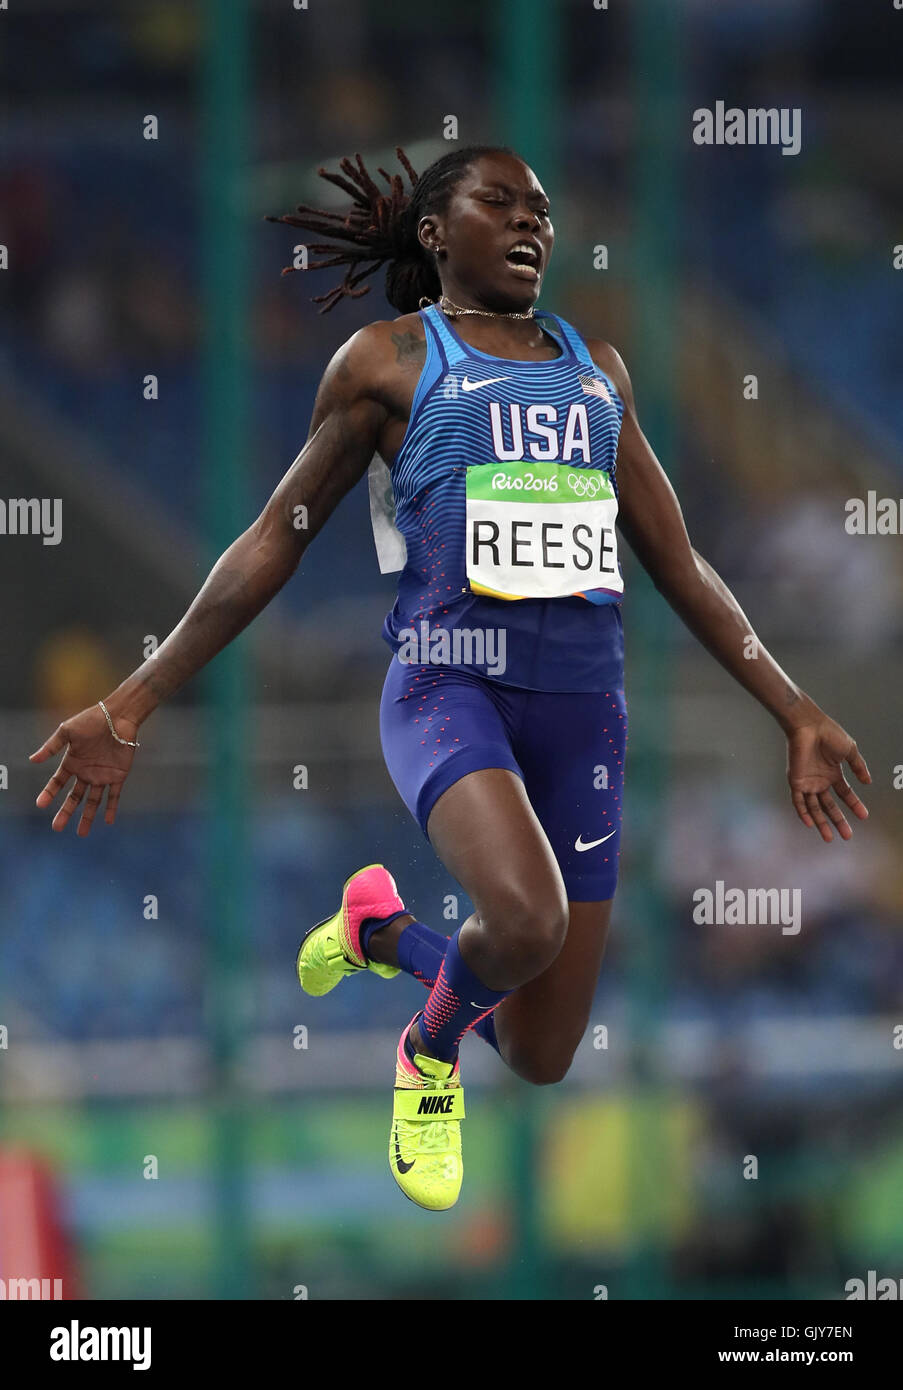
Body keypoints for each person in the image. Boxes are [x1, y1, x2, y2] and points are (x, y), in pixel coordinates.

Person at [30, 145, 871, 1213]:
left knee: (539, 1049)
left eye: (544, 209)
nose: (532, 223)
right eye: (501, 202)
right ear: (435, 231)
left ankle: (378, 928)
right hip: (448, 690)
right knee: (525, 922)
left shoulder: (595, 370)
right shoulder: (386, 363)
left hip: (584, 717)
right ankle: (426, 1060)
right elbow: (271, 540)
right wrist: (134, 697)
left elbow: (680, 558)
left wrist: (793, 708)